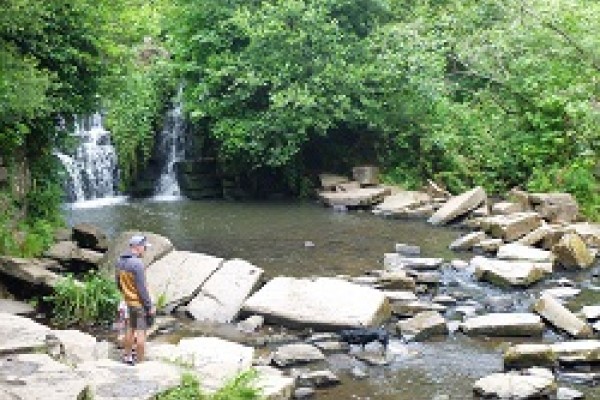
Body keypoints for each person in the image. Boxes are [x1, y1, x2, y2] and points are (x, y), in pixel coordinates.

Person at [115, 234, 155, 365]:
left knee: (129, 329)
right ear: (137, 247)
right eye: (144, 247)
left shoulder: (120, 261)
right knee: (141, 333)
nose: (145, 250)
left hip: (128, 302)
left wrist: (126, 295)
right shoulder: (137, 264)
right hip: (139, 305)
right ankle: (140, 361)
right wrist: (149, 307)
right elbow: (142, 290)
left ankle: (127, 356)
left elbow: (118, 285)